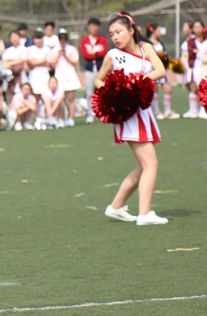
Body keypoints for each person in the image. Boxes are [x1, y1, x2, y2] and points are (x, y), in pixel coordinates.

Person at [96, 12, 168, 225]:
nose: (115, 37)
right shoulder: (113, 55)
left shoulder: (146, 48)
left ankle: (116, 207)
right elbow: (99, 80)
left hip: (144, 112)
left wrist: (137, 82)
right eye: (111, 34)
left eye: (119, 32)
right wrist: (114, 92)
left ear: (130, 30)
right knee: (151, 164)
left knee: (142, 167)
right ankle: (144, 214)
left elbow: (160, 70)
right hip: (128, 115)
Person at [146, 23, 180, 120]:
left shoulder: (160, 42)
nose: (160, 32)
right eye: (158, 30)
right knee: (154, 90)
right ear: (153, 31)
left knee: (168, 90)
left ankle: (167, 112)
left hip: (162, 69)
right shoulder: (147, 43)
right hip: (153, 69)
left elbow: (165, 54)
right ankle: (156, 112)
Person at [81, 17, 108, 124]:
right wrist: (96, 52)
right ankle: (89, 114)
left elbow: (103, 53)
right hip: (89, 70)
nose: (94, 28)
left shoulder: (103, 40)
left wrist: (93, 52)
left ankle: (103, 113)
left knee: (102, 91)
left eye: (96, 26)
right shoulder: (85, 40)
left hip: (101, 69)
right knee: (89, 92)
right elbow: (85, 54)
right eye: (92, 26)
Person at [53, 32, 81, 126]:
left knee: (71, 97)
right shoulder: (55, 50)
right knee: (61, 97)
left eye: (64, 41)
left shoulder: (71, 49)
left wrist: (66, 56)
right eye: (61, 41)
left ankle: (71, 118)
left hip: (69, 72)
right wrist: (58, 55)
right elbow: (51, 63)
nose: (62, 43)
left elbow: (75, 62)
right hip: (59, 73)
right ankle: (62, 117)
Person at [183, 20, 205, 119]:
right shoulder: (191, 41)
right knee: (193, 87)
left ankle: (202, 110)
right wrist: (199, 51)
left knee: (202, 88)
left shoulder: (206, 40)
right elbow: (191, 53)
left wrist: (199, 51)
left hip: (204, 67)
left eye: (199, 27)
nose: (198, 30)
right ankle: (193, 110)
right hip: (194, 67)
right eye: (195, 28)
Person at [26, 30, 53, 103]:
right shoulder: (30, 49)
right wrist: (42, 61)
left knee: (46, 95)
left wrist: (35, 62)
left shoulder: (47, 49)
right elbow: (30, 63)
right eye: (36, 38)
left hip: (44, 73)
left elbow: (48, 62)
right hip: (34, 74)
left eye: (40, 38)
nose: (38, 41)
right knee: (35, 96)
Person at [2, 30, 27, 102]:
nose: (14, 38)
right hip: (10, 77)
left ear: (19, 37)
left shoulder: (24, 49)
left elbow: (22, 60)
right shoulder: (8, 50)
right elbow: (5, 62)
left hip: (21, 76)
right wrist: (15, 62)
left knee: (21, 94)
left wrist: (11, 62)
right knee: (10, 93)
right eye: (12, 37)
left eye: (15, 36)